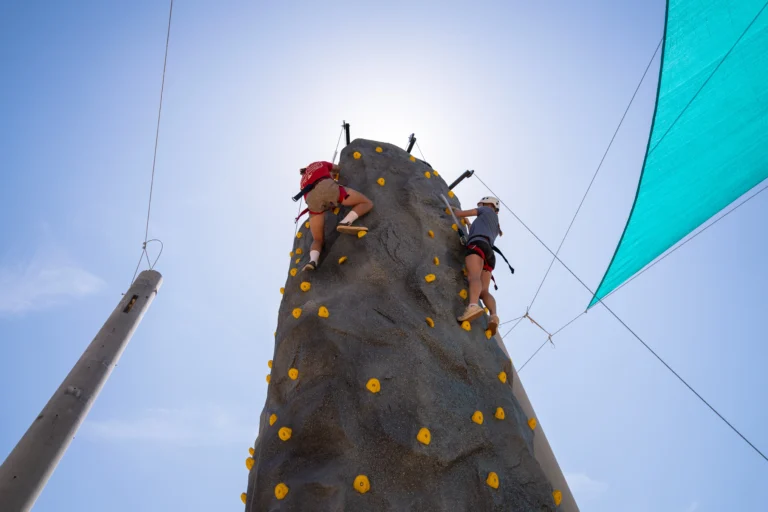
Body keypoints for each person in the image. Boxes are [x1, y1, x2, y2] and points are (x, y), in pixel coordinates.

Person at [296, 161, 373, 271]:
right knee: (366, 203)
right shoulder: (320, 163)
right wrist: (334, 174)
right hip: (326, 187)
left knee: (317, 239)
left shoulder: (302, 181)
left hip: (312, 201)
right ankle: (345, 222)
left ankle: (312, 261)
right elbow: (337, 168)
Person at [452, 196, 502, 334]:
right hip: (489, 254)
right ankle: (494, 316)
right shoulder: (496, 224)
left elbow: (462, 213)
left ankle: (473, 305)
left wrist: (455, 211)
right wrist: (468, 225)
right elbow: (480, 229)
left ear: (487, 204)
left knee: (474, 276)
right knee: (484, 291)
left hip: (477, 245)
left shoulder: (485, 210)